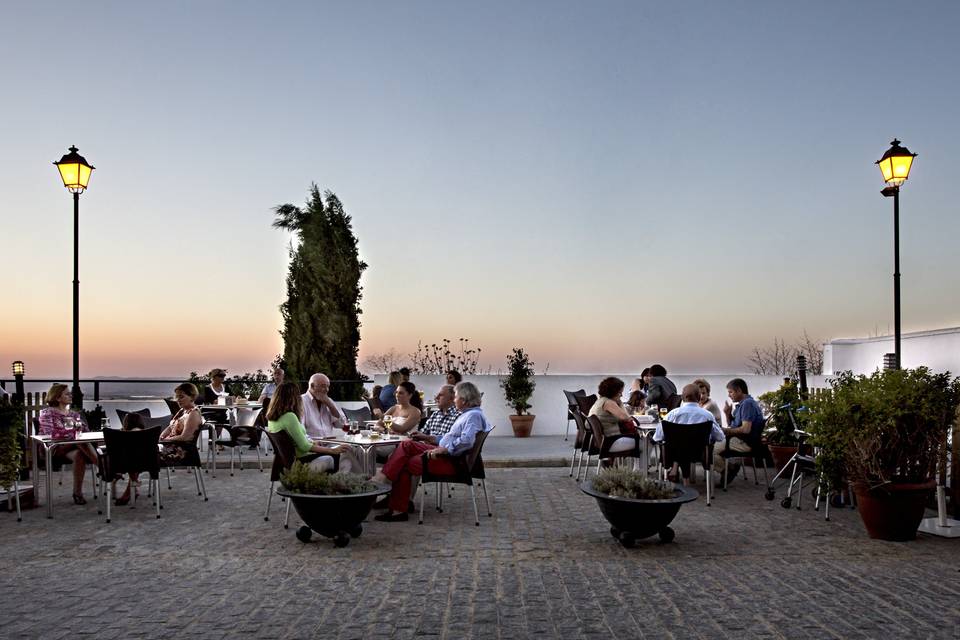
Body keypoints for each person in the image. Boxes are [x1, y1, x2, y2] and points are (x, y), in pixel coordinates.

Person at [370, 381, 492, 522]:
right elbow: (455, 438)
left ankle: (385, 485)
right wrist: (432, 440)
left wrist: (446, 449)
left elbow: (467, 441)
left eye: (456, 397)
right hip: (442, 452)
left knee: (404, 457)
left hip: (449, 460)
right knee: (406, 445)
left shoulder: (472, 416)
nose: (455, 400)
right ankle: (396, 505)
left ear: (464, 401)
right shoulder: (469, 414)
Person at [266, 381, 349, 472]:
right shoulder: (290, 417)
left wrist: (314, 442)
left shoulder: (272, 419)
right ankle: (344, 483)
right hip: (300, 462)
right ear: (292, 398)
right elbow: (304, 446)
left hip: (287, 462)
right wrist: (334, 451)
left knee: (338, 454)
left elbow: (295, 441)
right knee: (342, 457)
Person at [37, 383, 97, 505]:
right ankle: (104, 467)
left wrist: (72, 431)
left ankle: (77, 493)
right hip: (54, 448)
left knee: (80, 453)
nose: (70, 395)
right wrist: (74, 431)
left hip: (72, 446)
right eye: (67, 394)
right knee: (80, 442)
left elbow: (85, 431)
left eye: (70, 393)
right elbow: (51, 434)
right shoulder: (47, 414)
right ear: (58, 397)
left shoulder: (73, 414)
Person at [654, 384, 725, 483]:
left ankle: (674, 475)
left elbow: (657, 437)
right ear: (699, 397)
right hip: (699, 454)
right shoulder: (707, 415)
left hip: (674, 455)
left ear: (683, 397)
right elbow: (720, 437)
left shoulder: (672, 415)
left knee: (672, 447)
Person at [714, 378, 766, 483]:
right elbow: (733, 426)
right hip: (740, 440)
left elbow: (745, 430)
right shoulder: (743, 404)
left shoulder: (747, 404)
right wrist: (727, 414)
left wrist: (725, 431)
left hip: (746, 443)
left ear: (739, 390)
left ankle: (727, 470)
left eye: (730, 392)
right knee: (712, 445)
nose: (729, 395)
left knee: (710, 450)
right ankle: (729, 468)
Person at [588, 377, 642, 467]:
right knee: (647, 443)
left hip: (604, 440)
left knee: (642, 441)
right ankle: (639, 471)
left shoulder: (601, 401)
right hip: (611, 442)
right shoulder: (609, 403)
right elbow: (626, 417)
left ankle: (615, 465)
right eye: (620, 392)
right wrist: (620, 403)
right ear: (613, 391)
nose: (621, 395)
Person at [159, 383, 204, 466]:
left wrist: (166, 440)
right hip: (169, 446)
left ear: (192, 397)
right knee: (138, 450)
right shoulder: (182, 411)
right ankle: (134, 479)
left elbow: (185, 437)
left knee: (142, 453)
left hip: (180, 451)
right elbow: (170, 427)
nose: (178, 400)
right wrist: (161, 437)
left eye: (181, 397)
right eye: (177, 397)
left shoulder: (193, 413)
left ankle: (134, 478)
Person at [301, 373, 347, 439]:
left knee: (353, 448)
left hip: (331, 443)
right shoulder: (301, 401)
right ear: (312, 386)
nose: (327, 389)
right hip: (313, 445)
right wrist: (319, 441)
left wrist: (331, 406)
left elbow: (342, 425)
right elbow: (300, 431)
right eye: (323, 386)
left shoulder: (329, 401)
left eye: (328, 386)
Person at [114, 412, 146, 506]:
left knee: (130, 458)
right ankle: (132, 490)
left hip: (132, 463)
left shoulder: (131, 434)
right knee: (132, 459)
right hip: (147, 461)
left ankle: (129, 492)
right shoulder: (144, 432)